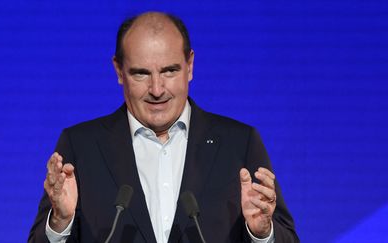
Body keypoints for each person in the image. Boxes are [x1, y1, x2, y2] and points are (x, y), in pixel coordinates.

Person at [29, 11, 299, 243]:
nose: (157, 89)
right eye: (141, 73)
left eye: (170, 71)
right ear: (119, 71)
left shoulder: (239, 143)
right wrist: (61, 223)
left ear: (190, 66)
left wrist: (262, 233)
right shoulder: (81, 146)